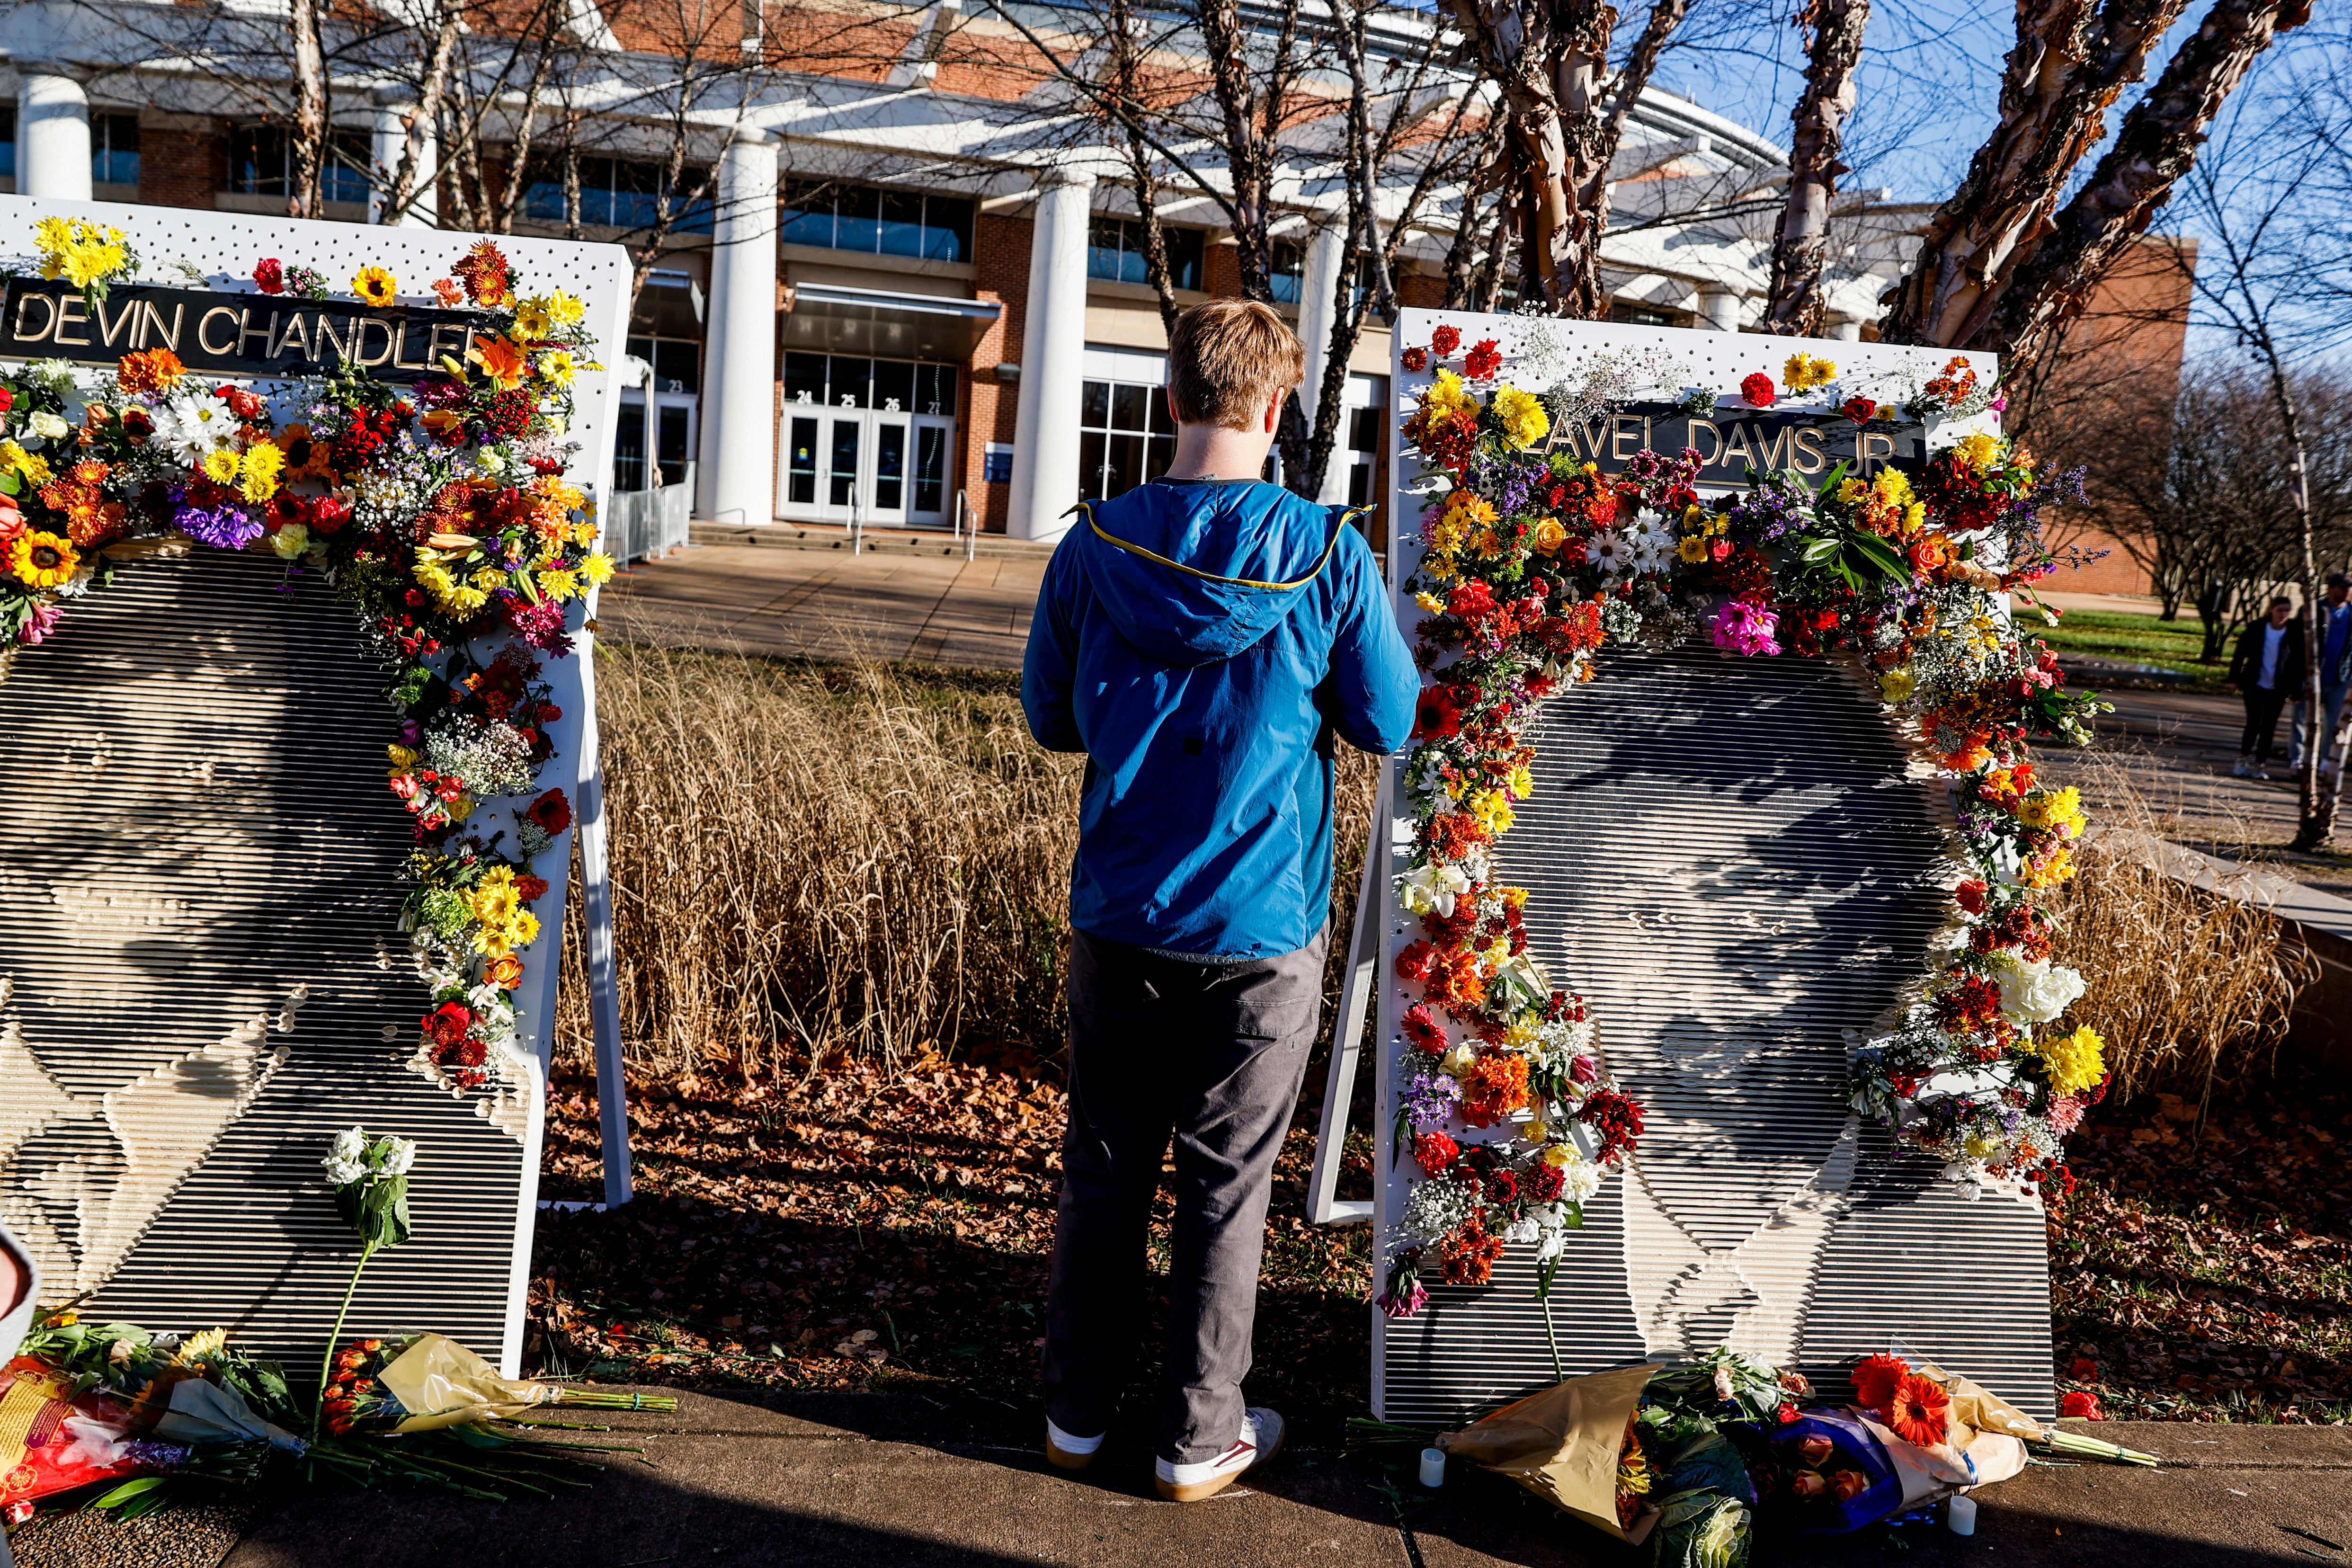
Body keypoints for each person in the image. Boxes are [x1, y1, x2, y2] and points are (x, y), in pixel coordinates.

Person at [1021, 299, 1417, 1503]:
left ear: (1173, 396)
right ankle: (1197, 1439)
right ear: (1277, 404)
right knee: (1226, 1185)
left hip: (1121, 908)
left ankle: (1074, 1416)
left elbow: (1051, 719)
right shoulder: (1325, 553)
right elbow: (1389, 720)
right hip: (1260, 919)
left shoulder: (1094, 544)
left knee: (1103, 1171)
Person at [2229, 595, 2306, 780]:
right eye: (2280, 610)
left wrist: (2296, 691)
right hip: (2255, 683)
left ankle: (2260, 765)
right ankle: (2243, 760)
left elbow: (2298, 664)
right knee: (2254, 722)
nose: (2283, 614)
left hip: (2278, 687)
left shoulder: (2294, 632)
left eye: (2287, 611)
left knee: (2269, 727)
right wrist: (2234, 679)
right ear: (2271, 610)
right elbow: (2239, 655)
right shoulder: (2257, 628)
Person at [2293, 572, 2352, 773]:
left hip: (2340, 678)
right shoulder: (2313, 609)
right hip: (2311, 676)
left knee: (2334, 723)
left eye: (2350, 588)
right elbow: (2296, 644)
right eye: (2343, 587)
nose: (2347, 591)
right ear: (2331, 588)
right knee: (2303, 720)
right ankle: (2298, 760)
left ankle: (2326, 761)